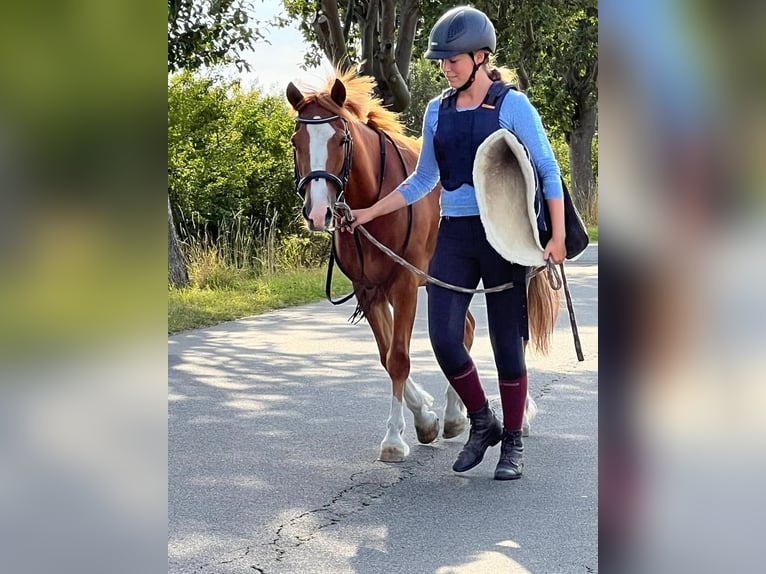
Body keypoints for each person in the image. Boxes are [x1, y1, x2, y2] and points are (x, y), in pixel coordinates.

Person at [342, 6, 566, 480]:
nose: (446, 67)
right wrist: (369, 211)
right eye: (442, 61)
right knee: (444, 336)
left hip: (506, 234)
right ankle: (482, 421)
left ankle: (513, 445)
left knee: (508, 343)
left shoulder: (512, 106)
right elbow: (424, 179)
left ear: (482, 57)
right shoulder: (436, 110)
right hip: (457, 234)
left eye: (454, 59)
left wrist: (559, 236)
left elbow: (547, 169)